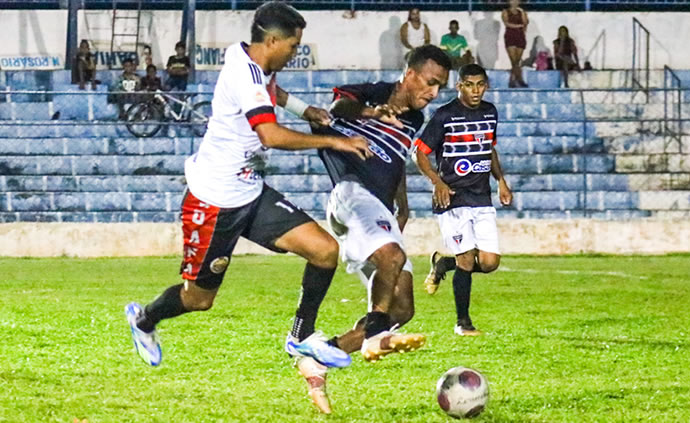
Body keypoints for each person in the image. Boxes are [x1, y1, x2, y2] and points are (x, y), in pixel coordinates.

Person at [125, 2, 372, 374]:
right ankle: (144, 321)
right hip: (214, 202)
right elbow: (269, 135)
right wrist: (334, 142)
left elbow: (274, 91)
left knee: (324, 251)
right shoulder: (247, 75)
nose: (294, 52)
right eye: (292, 45)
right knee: (198, 299)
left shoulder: (256, 62)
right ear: (273, 40)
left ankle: (300, 337)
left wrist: (306, 110)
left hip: (251, 192)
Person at [296, 45, 452, 414]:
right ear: (410, 74)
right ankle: (376, 335)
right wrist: (373, 111)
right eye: (430, 83)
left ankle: (320, 358)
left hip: (378, 204)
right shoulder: (369, 92)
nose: (433, 93)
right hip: (351, 191)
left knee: (403, 305)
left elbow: (395, 158)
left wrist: (403, 201)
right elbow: (339, 109)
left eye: (440, 87)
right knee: (391, 256)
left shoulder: (415, 118)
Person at [414, 64, 513, 336]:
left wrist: (500, 180)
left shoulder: (490, 112)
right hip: (453, 199)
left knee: (490, 263)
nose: (475, 90)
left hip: (481, 197)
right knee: (467, 260)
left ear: (487, 86)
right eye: (469, 84)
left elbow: (489, 147)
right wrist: (438, 182)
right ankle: (463, 323)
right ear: (459, 86)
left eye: (480, 84)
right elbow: (419, 152)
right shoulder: (444, 115)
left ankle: (445, 263)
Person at [502, 0, 528, 88]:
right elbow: (507, 23)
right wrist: (519, 26)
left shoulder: (522, 12)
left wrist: (523, 14)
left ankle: (513, 79)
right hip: (510, 36)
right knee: (513, 60)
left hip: (520, 36)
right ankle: (518, 79)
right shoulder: (505, 12)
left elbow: (525, 23)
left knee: (517, 60)